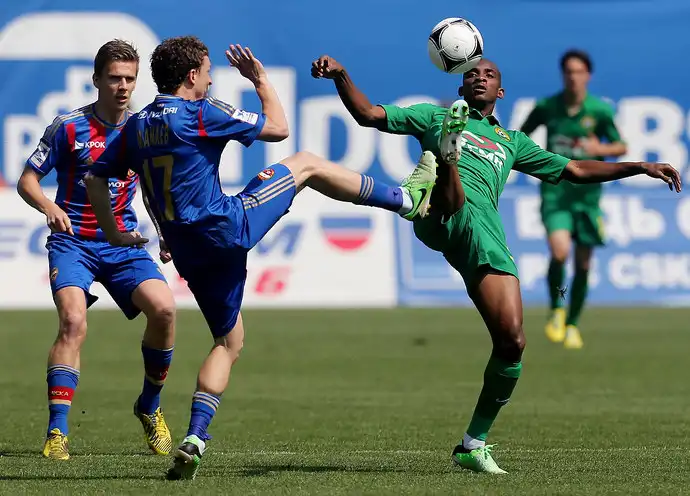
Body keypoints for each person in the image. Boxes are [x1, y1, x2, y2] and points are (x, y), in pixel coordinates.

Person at [84, 36, 437, 480]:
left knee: (228, 342)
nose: (211, 80)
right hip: (226, 228)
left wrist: (116, 231)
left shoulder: (135, 127)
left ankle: (195, 438)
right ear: (192, 75)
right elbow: (278, 127)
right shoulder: (200, 112)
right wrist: (260, 80)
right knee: (305, 163)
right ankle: (407, 200)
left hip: (188, 252)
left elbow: (96, 179)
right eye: (208, 72)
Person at [312, 55, 681, 473]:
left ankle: (473, 444)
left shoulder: (512, 141)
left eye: (489, 75)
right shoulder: (433, 115)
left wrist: (640, 166)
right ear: (460, 87)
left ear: (500, 91)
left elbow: (575, 169)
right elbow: (367, 115)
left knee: (513, 341)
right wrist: (341, 76)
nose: (480, 78)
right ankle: (440, 168)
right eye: (472, 74)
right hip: (442, 215)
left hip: (485, 236)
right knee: (452, 193)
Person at [17, 40, 176, 460]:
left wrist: (164, 231)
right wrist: (49, 207)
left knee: (164, 310)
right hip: (73, 242)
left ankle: (149, 406)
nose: (123, 86)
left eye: (130, 79)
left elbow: (151, 187)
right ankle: (57, 431)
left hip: (123, 243)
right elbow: (27, 180)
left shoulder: (143, 129)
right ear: (97, 80)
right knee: (73, 321)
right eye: (115, 78)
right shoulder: (68, 127)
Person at [520, 49, 627, 349]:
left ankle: (573, 324)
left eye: (578, 71)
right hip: (556, 193)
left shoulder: (599, 111)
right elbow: (518, 137)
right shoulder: (547, 107)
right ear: (562, 74)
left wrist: (599, 150)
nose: (573, 77)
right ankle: (557, 307)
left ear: (588, 75)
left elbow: (620, 146)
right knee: (559, 252)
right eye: (568, 71)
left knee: (583, 265)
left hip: (588, 198)